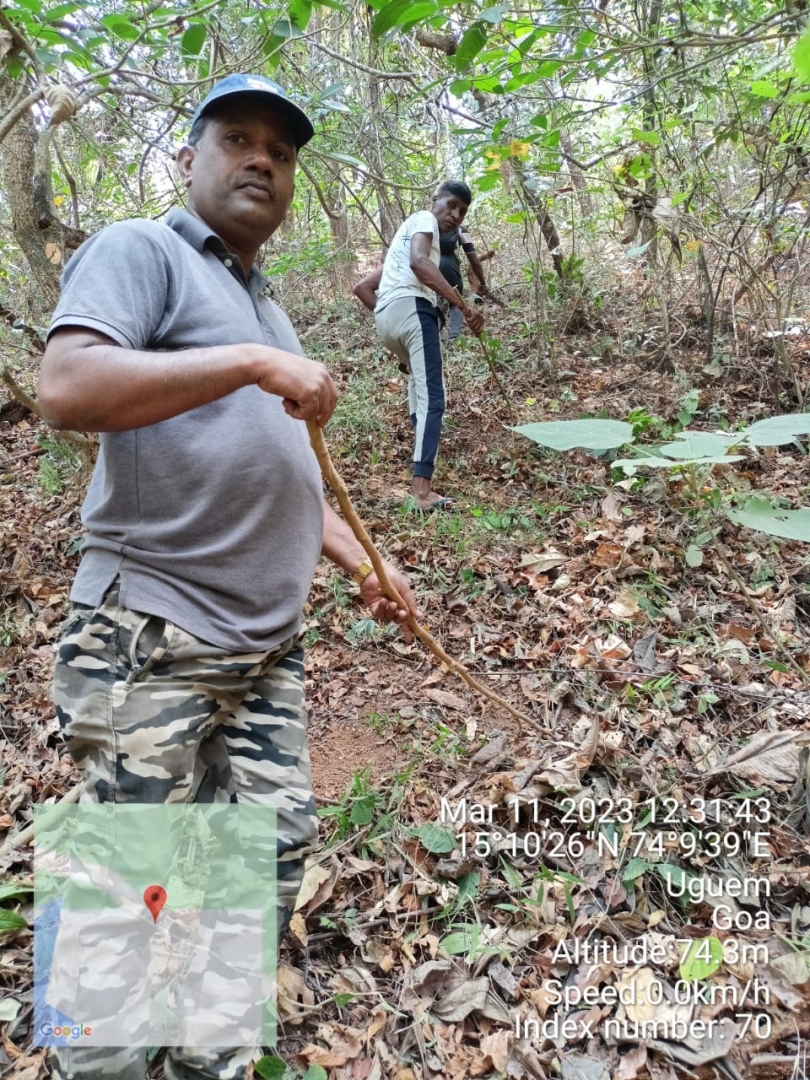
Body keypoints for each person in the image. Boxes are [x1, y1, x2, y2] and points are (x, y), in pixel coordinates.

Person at [37, 73, 417, 1080]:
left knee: (264, 850)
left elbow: (279, 466)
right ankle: (102, 1067)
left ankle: (212, 1053)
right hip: (152, 628)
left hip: (263, 641)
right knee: (133, 874)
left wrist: (358, 559)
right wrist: (252, 362)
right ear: (187, 160)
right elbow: (67, 388)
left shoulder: (261, 303)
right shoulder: (142, 251)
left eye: (281, 152)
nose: (262, 160)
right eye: (238, 140)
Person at [353, 181, 485, 511]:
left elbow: (363, 287)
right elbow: (419, 264)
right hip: (415, 311)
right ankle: (422, 490)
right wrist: (464, 307)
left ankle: (420, 453)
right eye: (451, 205)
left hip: (388, 320)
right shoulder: (424, 220)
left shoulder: (403, 245)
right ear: (435, 200)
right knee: (434, 395)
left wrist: (391, 316)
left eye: (462, 211)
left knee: (418, 387)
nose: (455, 215)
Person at [438, 223, 489, 343]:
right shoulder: (461, 230)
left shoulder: (429, 227)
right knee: (457, 299)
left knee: (433, 300)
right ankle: (454, 336)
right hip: (450, 267)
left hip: (429, 266)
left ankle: (436, 335)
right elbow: (474, 261)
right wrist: (483, 282)